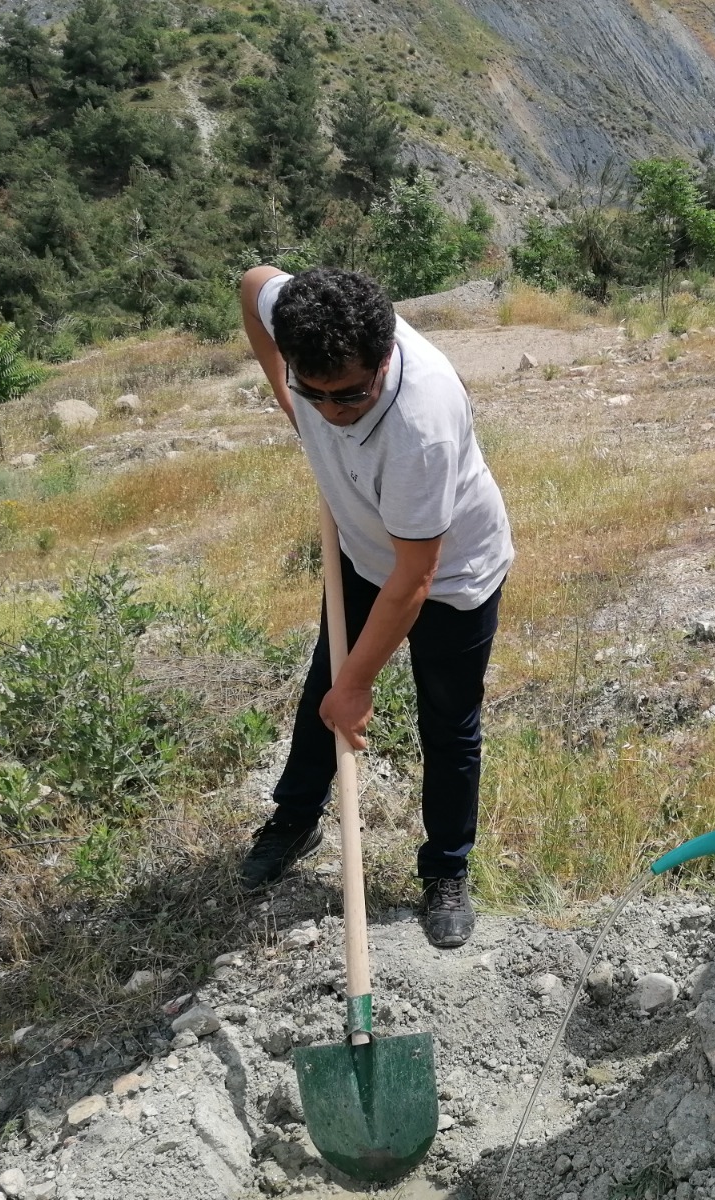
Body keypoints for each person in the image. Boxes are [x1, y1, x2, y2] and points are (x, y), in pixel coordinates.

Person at [237, 265, 514, 950]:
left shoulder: (422, 427)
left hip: (451, 577)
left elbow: (415, 577)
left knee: (448, 725)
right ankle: (294, 819)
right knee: (321, 693)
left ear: (386, 356)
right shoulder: (302, 327)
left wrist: (359, 684)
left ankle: (446, 869)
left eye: (352, 394)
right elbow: (253, 283)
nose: (333, 411)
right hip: (365, 552)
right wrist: (284, 393)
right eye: (316, 393)